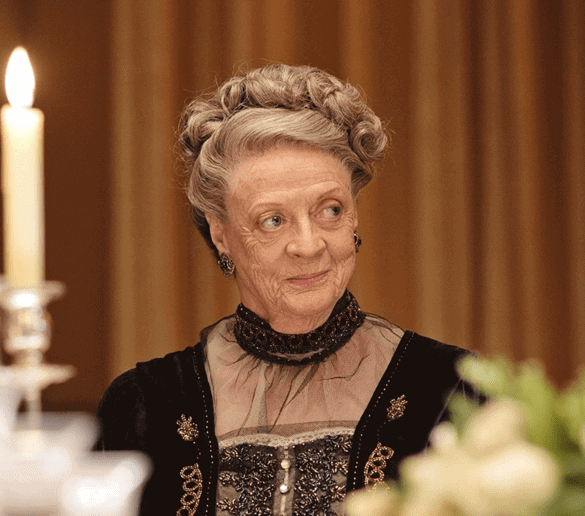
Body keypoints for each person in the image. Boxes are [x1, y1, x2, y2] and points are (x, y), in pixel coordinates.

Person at [96, 64, 480, 516]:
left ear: (354, 214)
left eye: (330, 210)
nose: (309, 245)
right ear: (222, 235)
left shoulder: (453, 388)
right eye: (272, 220)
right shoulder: (142, 405)